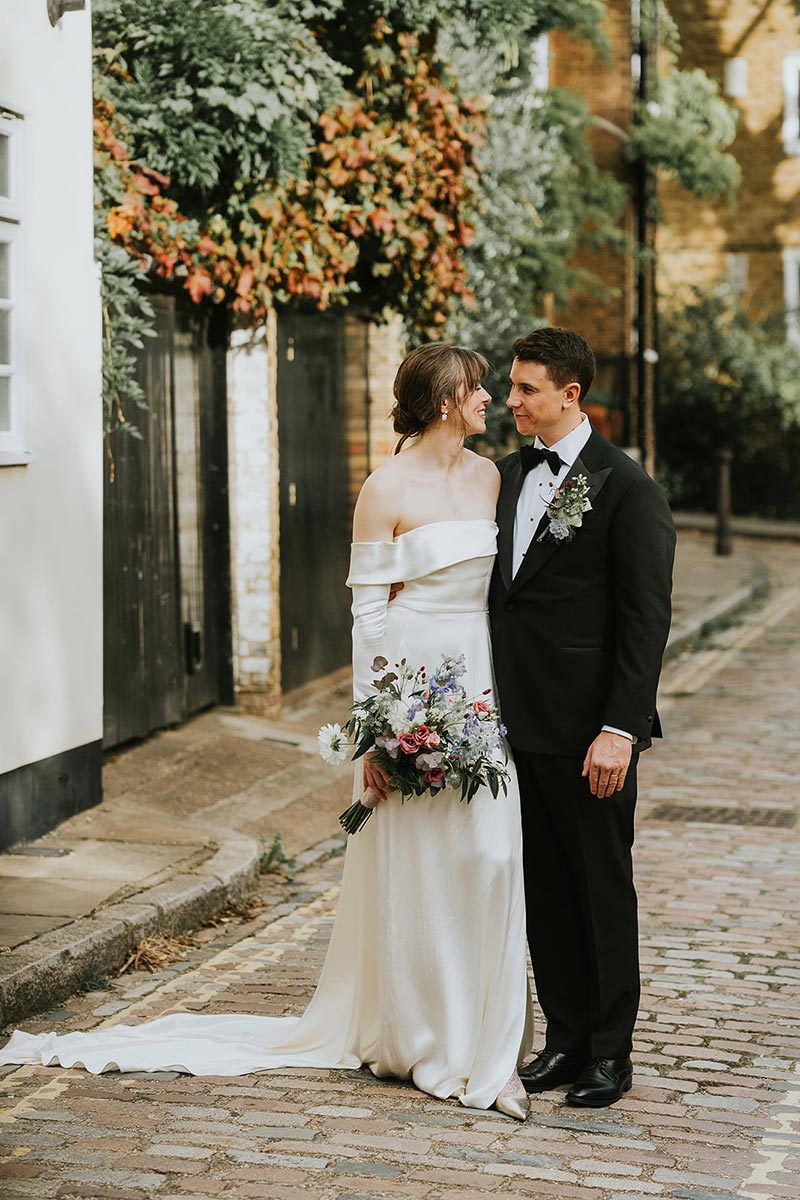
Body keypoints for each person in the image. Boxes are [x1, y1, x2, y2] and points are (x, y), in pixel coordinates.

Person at [0, 344, 533, 1121]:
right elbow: (369, 614)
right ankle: (424, 1038)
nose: (488, 399)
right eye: (478, 388)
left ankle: (486, 1041)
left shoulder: (489, 478)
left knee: (487, 854)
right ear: (445, 400)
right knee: (420, 866)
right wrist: (379, 732)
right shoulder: (385, 487)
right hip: (409, 687)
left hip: (476, 685)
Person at [490, 326, 675, 1107]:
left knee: (601, 888)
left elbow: (645, 620)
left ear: (571, 394)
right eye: (511, 386)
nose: (512, 401)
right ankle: (563, 1039)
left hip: (590, 735)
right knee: (545, 891)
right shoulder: (499, 479)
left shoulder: (628, 489)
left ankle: (609, 1051)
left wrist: (620, 730)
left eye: (527, 389)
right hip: (513, 727)